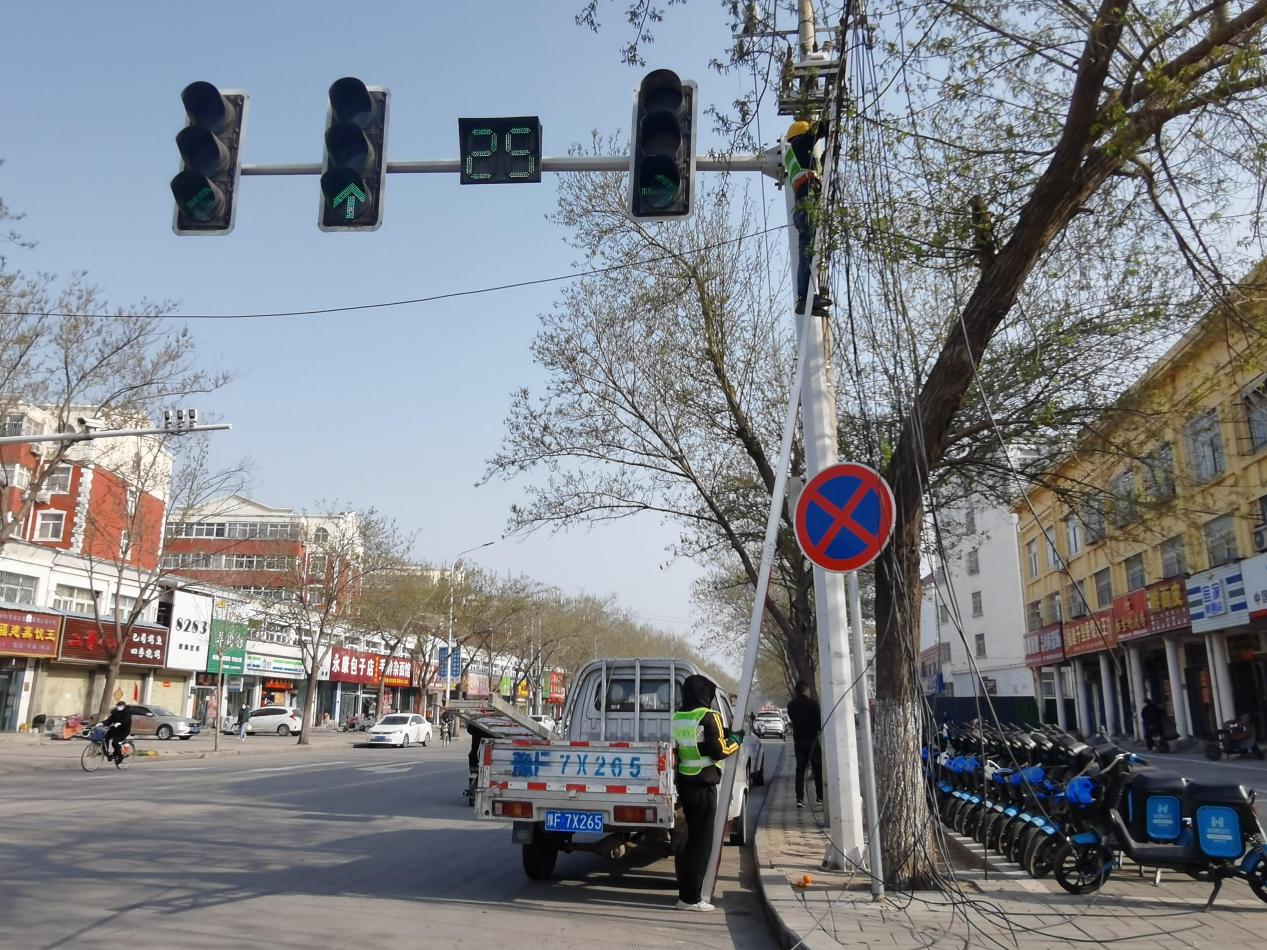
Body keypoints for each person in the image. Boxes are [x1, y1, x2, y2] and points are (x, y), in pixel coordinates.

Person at [671, 674, 742, 912]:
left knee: (691, 843)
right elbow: (718, 750)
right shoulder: (709, 716)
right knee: (701, 844)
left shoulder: (679, 717)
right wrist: (736, 739)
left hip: (686, 785)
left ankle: (687, 893)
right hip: (704, 785)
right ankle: (690, 898)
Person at [783, 116, 832, 316]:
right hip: (806, 205)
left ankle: (813, 293)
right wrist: (829, 122)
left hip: (807, 204)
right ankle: (804, 296)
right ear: (800, 136)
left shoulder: (801, 157)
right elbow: (815, 133)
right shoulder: (798, 146)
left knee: (813, 247)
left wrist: (827, 157)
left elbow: (818, 166)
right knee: (807, 248)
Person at [786, 681, 823, 808]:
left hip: (799, 741)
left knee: (800, 770)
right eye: (808, 690)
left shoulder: (791, 705)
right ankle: (820, 797)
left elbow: (792, 719)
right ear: (805, 691)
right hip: (812, 740)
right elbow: (819, 723)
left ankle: (800, 799)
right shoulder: (813, 704)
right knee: (818, 768)